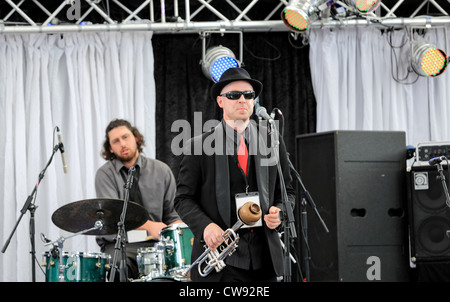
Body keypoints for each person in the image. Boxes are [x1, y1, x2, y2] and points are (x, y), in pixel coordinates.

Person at [174, 68, 296, 282]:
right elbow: (183, 199)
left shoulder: (272, 140)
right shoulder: (197, 146)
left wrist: (280, 212)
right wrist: (205, 227)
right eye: (234, 95)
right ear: (220, 101)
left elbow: (288, 192)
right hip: (221, 262)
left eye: (248, 95)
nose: (242, 100)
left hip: (265, 260)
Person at [95, 119, 182, 281]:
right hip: (120, 244)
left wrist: (179, 231)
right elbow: (114, 216)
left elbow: (172, 215)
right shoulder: (105, 174)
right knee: (118, 265)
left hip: (156, 244)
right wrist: (149, 226)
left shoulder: (161, 170)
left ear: (136, 138)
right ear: (110, 149)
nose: (122, 143)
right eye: (116, 141)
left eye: (125, 137)